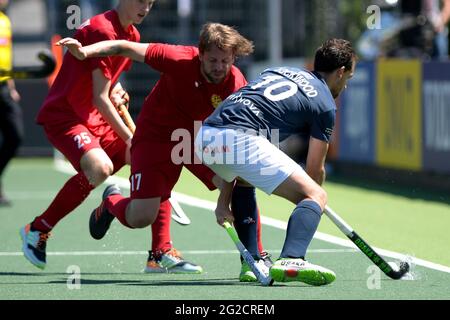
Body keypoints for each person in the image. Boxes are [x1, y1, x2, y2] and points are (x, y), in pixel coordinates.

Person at [58, 22, 271, 281]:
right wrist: (86, 52)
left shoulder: (236, 84)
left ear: (234, 58)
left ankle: (255, 258)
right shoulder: (178, 58)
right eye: (213, 60)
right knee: (141, 217)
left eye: (225, 61)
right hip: (155, 139)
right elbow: (124, 47)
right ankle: (111, 203)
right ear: (200, 53)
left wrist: (223, 201)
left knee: (240, 183)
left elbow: (233, 155)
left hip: (196, 142)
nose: (219, 67)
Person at [194, 38, 357, 286]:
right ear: (341, 72)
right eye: (348, 79)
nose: (345, 86)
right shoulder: (325, 104)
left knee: (246, 178)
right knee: (315, 196)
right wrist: (313, 204)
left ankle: (252, 264)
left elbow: (236, 154)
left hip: (205, 136)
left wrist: (223, 201)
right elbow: (315, 169)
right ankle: (292, 257)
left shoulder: (280, 70)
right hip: (240, 138)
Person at [19, 0, 155, 270]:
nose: (146, 8)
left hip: (94, 116)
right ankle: (38, 228)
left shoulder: (132, 35)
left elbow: (106, 84)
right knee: (101, 167)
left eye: (150, 3)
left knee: (151, 160)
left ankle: (159, 250)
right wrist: (130, 139)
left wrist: (116, 90)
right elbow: (100, 98)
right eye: (141, 1)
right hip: (66, 115)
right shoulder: (102, 30)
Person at [0, 0, 24, 206]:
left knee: (15, 136)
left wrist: (11, 85)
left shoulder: (5, 20)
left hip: (3, 87)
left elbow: (6, 57)